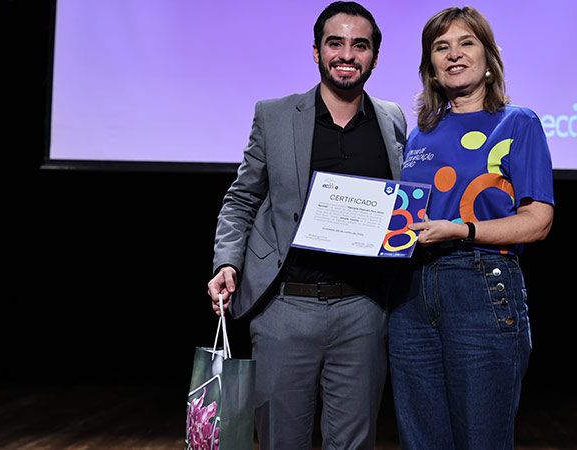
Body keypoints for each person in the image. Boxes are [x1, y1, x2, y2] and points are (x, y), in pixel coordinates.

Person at [206, 2, 406, 449]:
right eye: (336, 43)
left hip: (363, 310)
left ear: (375, 57)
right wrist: (227, 262)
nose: (347, 55)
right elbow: (241, 199)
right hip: (285, 309)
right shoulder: (275, 116)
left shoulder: (392, 118)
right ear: (316, 51)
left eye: (360, 45)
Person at [388, 6, 554, 450]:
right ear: (431, 68)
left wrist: (462, 230)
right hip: (410, 294)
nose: (454, 54)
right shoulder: (417, 135)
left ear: (488, 59)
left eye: (466, 43)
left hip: (480, 286)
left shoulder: (517, 122)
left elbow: (538, 221)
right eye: (441, 47)